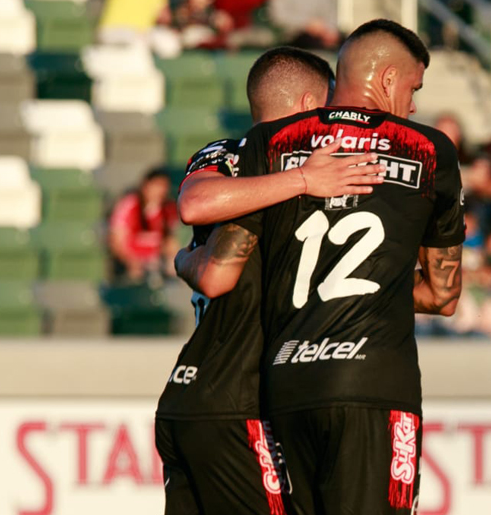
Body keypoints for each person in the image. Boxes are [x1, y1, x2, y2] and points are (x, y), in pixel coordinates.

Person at [200, 19, 464, 515]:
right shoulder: (430, 151)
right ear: (387, 80)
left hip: (285, 386)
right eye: (413, 88)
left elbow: (226, 260)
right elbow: (443, 295)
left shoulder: (269, 142)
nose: (412, 104)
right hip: (373, 388)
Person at [155, 47, 383, 515]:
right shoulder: (269, 164)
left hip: (189, 395)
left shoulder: (226, 157)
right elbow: (195, 206)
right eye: (327, 106)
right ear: (306, 105)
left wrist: (184, 261)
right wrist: (304, 178)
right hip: (243, 401)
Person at [107, 167, 179, 283]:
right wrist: (131, 261)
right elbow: (117, 241)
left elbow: (171, 242)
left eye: (163, 186)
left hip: (157, 264)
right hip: (131, 265)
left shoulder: (169, 210)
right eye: (156, 185)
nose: (160, 190)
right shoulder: (129, 205)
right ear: (145, 185)